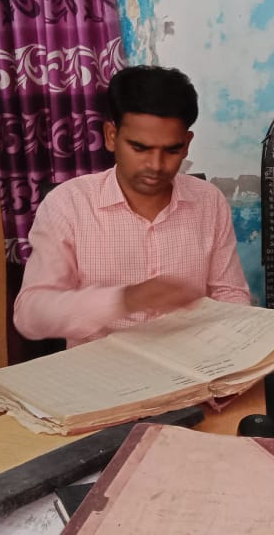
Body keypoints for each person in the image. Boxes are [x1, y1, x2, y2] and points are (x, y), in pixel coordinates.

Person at [14, 65, 252, 348]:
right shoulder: (68, 204)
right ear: (111, 136)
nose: (156, 165)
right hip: (103, 368)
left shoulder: (209, 201)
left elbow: (230, 294)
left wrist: (238, 343)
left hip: (193, 363)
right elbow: (30, 314)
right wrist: (124, 300)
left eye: (172, 150)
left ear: (187, 144)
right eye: (139, 148)